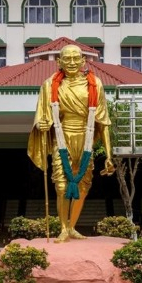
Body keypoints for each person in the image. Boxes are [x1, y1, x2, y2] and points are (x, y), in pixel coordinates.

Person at [27, 44, 115, 242]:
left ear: (83, 61)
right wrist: (42, 124)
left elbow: (103, 122)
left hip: (86, 137)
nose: (72, 62)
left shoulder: (95, 84)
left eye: (76, 58)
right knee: (61, 186)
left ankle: (72, 226)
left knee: (83, 186)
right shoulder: (50, 85)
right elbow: (43, 117)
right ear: (59, 62)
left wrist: (109, 155)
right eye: (67, 59)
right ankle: (63, 228)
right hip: (62, 136)